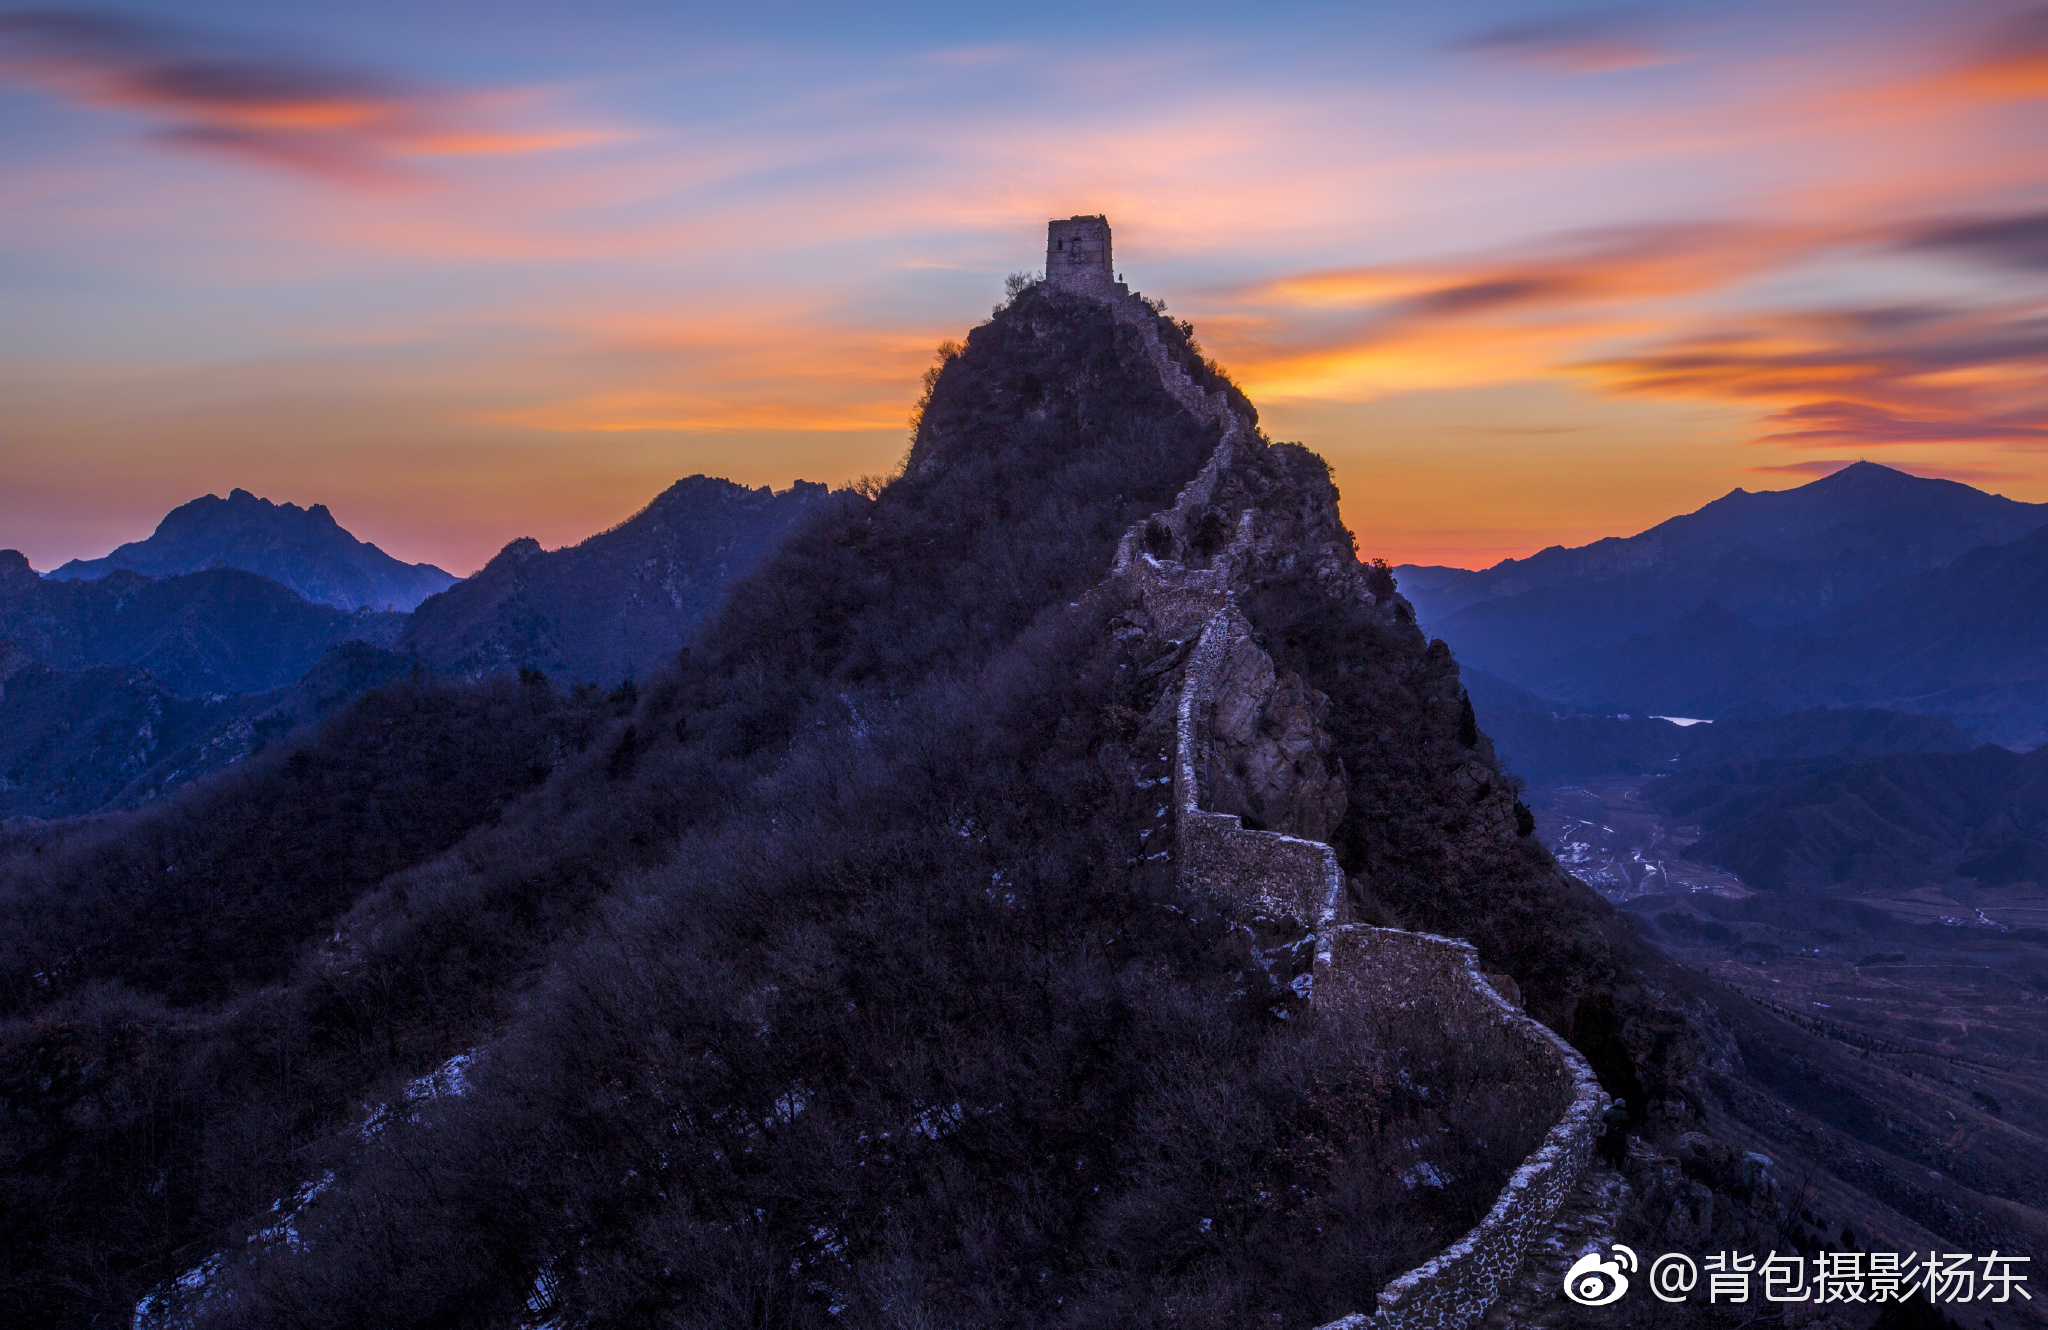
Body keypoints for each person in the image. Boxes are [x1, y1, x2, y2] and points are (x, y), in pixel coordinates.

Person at [1600, 1096, 1631, 1165]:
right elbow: (1628, 1124)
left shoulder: (1609, 1111)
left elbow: (1604, 1119)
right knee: (1619, 1151)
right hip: (1620, 1135)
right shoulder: (1624, 1114)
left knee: (1609, 1148)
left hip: (1610, 1133)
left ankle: (1608, 1164)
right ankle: (1618, 1167)